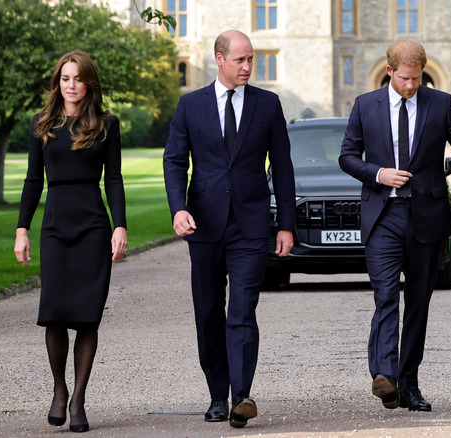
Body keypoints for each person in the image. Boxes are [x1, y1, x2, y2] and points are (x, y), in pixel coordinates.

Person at [339, 41, 451, 411]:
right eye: (404, 78)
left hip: (427, 219)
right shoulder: (366, 105)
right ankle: (385, 374)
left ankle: (408, 383)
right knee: (385, 296)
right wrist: (378, 173)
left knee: (418, 304)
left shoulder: (440, 103)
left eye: (417, 78)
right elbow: (347, 157)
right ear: (389, 71)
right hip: (383, 216)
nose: (412, 85)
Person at [163, 30, 296, 428]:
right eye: (240, 60)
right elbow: (174, 162)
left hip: (251, 225)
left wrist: (285, 224)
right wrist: (178, 209)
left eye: (251, 59)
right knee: (208, 312)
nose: (247, 67)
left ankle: (242, 395)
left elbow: (283, 168)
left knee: (242, 310)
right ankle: (217, 395)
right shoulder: (190, 106)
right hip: (203, 225)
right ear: (219, 59)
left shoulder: (268, 105)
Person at [14, 50, 127, 433]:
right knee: (56, 313)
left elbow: (114, 179)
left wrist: (120, 225)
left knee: (86, 316)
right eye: (65, 78)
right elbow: (33, 181)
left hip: (93, 225)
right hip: (56, 227)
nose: (71, 85)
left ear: (89, 82)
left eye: (78, 78)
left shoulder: (107, 124)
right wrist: (21, 229)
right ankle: (59, 390)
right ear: (57, 82)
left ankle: (78, 399)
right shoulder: (42, 124)